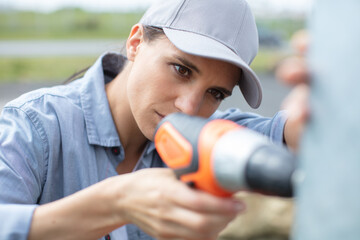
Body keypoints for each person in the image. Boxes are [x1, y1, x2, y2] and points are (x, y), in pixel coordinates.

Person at [0, 0, 306, 239]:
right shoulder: (34, 124)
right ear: (136, 42)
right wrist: (116, 202)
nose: (188, 107)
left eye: (215, 93)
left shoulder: (204, 138)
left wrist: (329, 105)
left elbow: (298, 136)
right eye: (181, 70)